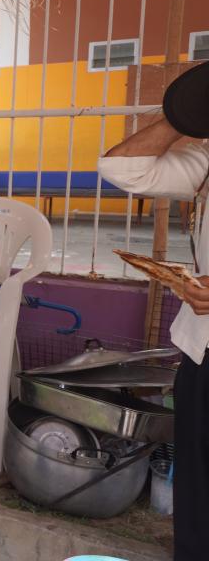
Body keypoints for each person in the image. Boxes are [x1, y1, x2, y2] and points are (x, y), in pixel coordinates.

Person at [97, 60, 209, 561]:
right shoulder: (206, 162)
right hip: (202, 350)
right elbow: (123, 168)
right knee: (198, 499)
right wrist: (184, 114)